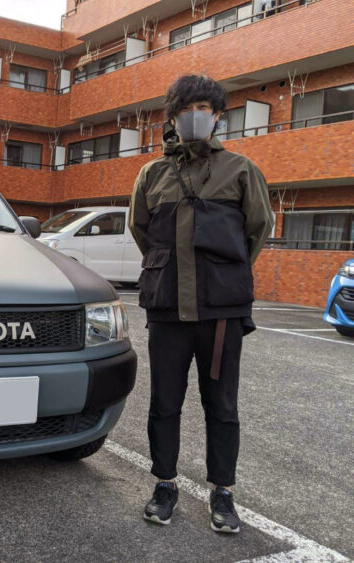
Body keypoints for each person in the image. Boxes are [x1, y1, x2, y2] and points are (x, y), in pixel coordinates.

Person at [128, 74, 275, 533]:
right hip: (168, 311)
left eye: (204, 108)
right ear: (172, 118)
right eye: (186, 108)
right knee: (164, 403)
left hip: (221, 315)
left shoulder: (241, 170)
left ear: (217, 116)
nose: (195, 116)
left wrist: (222, 276)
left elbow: (258, 230)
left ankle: (223, 493)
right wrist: (168, 271)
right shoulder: (152, 174)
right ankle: (165, 484)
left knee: (222, 406)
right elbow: (141, 231)